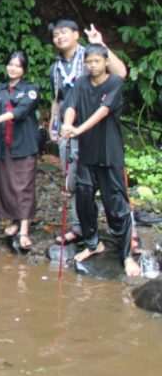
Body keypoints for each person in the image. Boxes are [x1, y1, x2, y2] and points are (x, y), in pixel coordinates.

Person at [62, 44, 140, 277]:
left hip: (110, 155)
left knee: (116, 205)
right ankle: (94, 243)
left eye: (97, 61)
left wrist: (77, 130)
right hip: (87, 154)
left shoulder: (114, 83)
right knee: (83, 200)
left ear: (106, 62)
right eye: (89, 61)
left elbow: (103, 111)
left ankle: (126, 255)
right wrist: (67, 123)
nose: (93, 65)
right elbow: (71, 106)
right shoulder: (81, 83)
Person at [48, 20, 127, 247]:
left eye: (64, 32)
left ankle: (125, 235)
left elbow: (120, 73)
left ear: (75, 34)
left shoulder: (91, 55)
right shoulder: (56, 66)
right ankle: (80, 227)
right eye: (55, 35)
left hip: (97, 131)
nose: (59, 37)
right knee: (74, 181)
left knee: (110, 186)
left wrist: (99, 42)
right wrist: (57, 125)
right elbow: (59, 98)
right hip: (69, 129)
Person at [0, 52, 40, 251]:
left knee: (23, 185)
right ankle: (14, 221)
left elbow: (24, 109)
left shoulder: (30, 88)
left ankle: (24, 229)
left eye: (18, 66)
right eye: (10, 64)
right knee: (6, 184)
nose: (13, 68)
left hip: (24, 144)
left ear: (24, 69)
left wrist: (2, 117)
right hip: (3, 145)